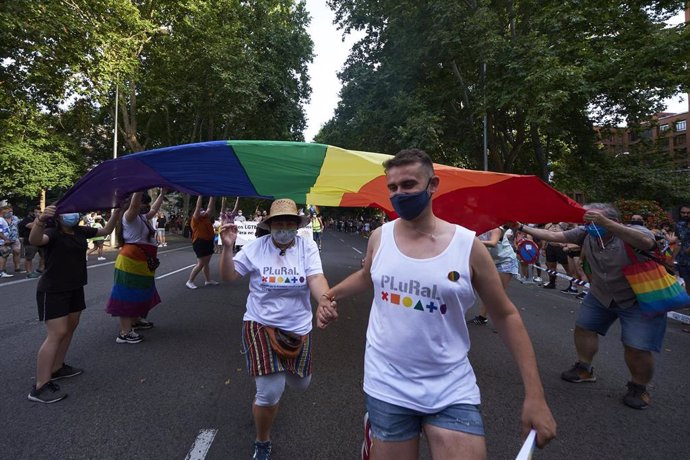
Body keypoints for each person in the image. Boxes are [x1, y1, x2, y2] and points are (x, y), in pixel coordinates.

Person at [316, 149, 556, 460]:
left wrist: (535, 395)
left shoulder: (467, 246)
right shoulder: (379, 237)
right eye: (393, 187)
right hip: (386, 385)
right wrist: (330, 295)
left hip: (450, 389)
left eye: (409, 185)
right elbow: (368, 275)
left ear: (433, 185)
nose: (399, 194)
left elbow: (506, 315)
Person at [515, 203, 664, 410]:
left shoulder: (633, 231)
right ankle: (584, 368)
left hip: (638, 298)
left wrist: (608, 224)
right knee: (584, 327)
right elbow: (556, 237)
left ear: (612, 219)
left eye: (595, 220)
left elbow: (647, 243)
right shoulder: (586, 233)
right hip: (601, 294)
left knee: (636, 347)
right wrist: (522, 227)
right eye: (588, 220)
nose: (589, 225)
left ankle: (639, 387)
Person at [219, 198, 330, 460]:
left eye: (288, 224)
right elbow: (229, 276)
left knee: (301, 384)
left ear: (296, 226)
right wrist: (227, 249)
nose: (283, 228)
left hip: (298, 326)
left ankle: (271, 391)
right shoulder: (256, 248)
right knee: (269, 392)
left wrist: (325, 300)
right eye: (278, 223)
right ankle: (262, 441)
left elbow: (315, 278)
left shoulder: (307, 246)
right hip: (260, 323)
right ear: (269, 226)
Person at [27, 205, 120, 403]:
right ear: (58, 217)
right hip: (53, 290)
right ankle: (40, 386)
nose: (73, 214)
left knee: (70, 328)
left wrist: (116, 212)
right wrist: (40, 220)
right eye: (67, 211)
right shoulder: (51, 233)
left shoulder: (79, 231)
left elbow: (106, 231)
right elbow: (35, 240)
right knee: (57, 332)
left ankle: (57, 367)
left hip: (75, 287)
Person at [105, 190, 166, 344]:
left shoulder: (142, 217)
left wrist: (162, 193)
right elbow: (134, 204)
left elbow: (154, 210)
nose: (147, 206)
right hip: (130, 262)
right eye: (144, 203)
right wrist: (139, 187)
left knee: (140, 292)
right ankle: (125, 333)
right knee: (127, 294)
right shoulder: (129, 217)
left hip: (142, 262)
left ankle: (136, 320)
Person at [467, 225, 519, 326]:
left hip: (506, 261)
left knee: (497, 294)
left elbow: (493, 243)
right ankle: (482, 318)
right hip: (491, 261)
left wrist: (471, 241)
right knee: (487, 291)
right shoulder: (476, 229)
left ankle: (507, 321)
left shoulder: (496, 228)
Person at [186, 196, 219, 289]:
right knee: (201, 263)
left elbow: (210, 208)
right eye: (200, 210)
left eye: (202, 210)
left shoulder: (205, 217)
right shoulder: (195, 219)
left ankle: (208, 280)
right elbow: (197, 207)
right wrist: (200, 195)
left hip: (208, 241)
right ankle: (190, 281)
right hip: (200, 242)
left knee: (206, 263)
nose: (202, 211)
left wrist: (212, 197)